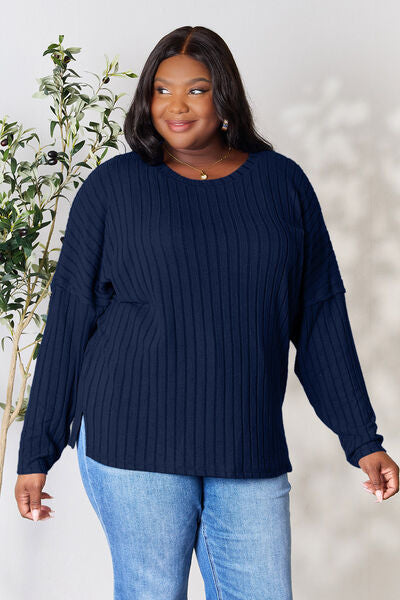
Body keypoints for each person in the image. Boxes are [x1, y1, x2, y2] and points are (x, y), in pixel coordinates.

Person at [15, 25, 398, 600]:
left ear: (225, 97)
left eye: (196, 89)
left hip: (246, 438)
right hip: (132, 433)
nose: (176, 106)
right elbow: (70, 319)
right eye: (162, 90)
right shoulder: (114, 187)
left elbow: (319, 317)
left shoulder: (281, 184)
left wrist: (362, 439)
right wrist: (36, 452)